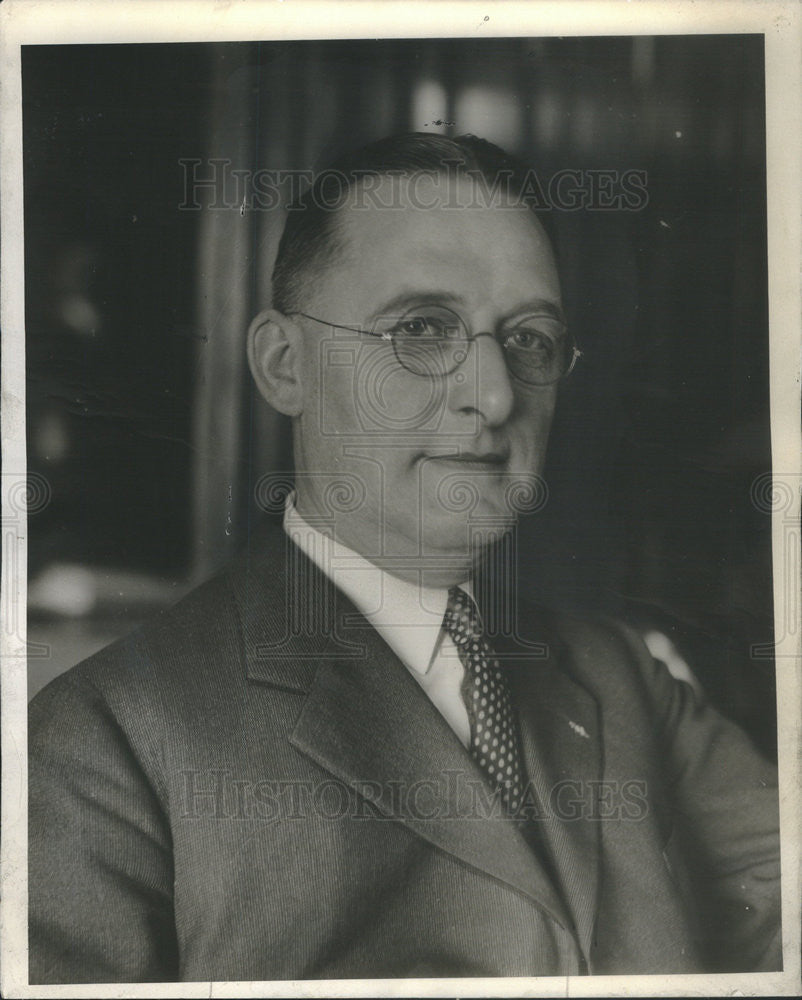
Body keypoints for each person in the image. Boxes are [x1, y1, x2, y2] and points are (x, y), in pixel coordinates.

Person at [28, 133, 781, 983]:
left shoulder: (621, 681)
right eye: (423, 328)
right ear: (286, 365)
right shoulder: (108, 746)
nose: (494, 396)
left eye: (530, 339)